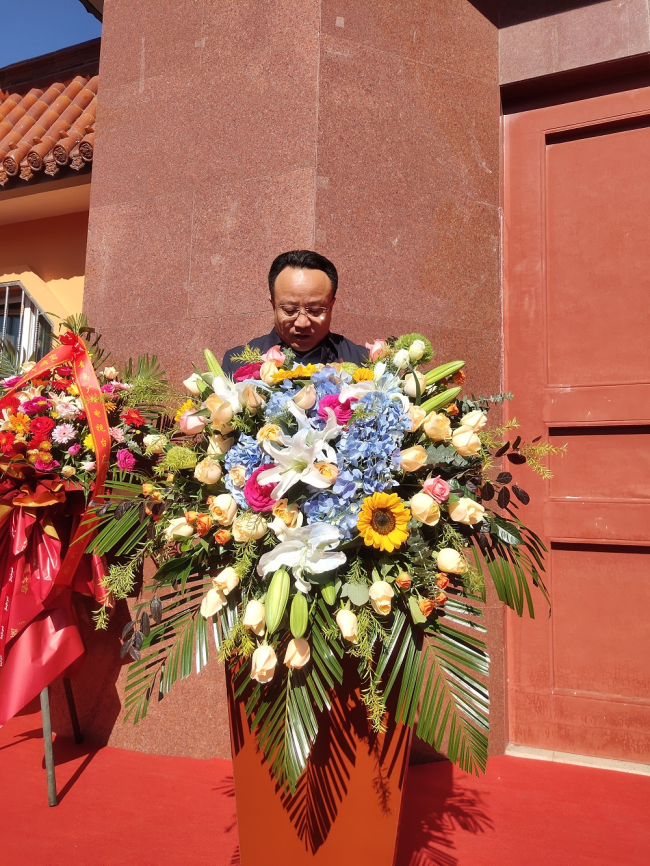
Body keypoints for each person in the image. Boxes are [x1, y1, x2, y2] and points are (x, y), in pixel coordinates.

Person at [220, 250, 367, 377]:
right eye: (290, 310)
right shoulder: (237, 364)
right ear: (273, 306)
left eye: (315, 310)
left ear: (331, 306)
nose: (302, 323)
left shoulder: (363, 363)